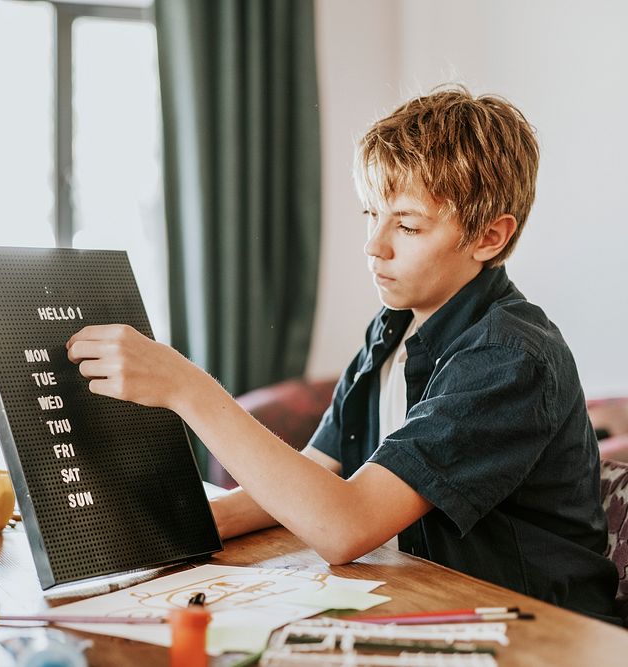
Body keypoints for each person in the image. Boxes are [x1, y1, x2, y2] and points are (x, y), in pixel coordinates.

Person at [66, 85, 620, 623]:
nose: (374, 245)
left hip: (539, 632)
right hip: (422, 600)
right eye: (370, 215)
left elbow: (343, 527)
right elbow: (314, 474)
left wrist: (187, 388)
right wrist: (164, 531)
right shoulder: (393, 327)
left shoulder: (511, 357)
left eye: (406, 224)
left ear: (490, 238)